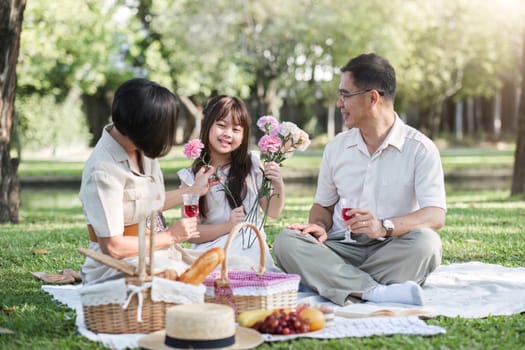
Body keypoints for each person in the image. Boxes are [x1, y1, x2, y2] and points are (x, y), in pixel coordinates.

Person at [273, 53, 446, 306]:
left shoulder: (420, 148)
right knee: (286, 242)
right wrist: (319, 226)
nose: (339, 103)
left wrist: (383, 226)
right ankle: (375, 291)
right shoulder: (336, 148)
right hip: (342, 249)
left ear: (372, 97)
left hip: (392, 249)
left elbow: (435, 216)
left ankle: (335, 281)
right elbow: (322, 206)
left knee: (427, 244)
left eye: (345, 94)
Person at [79, 78, 214, 284]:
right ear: (143, 127)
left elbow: (149, 203)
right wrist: (171, 236)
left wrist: (194, 190)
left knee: (229, 265)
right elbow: (113, 247)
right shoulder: (103, 171)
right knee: (182, 280)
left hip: (159, 252)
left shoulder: (143, 149)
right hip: (120, 264)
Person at [177, 95, 285, 272]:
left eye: (236, 129)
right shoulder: (192, 177)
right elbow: (192, 234)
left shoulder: (252, 165)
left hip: (250, 248)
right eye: (221, 125)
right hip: (212, 251)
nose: (228, 133)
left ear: (243, 136)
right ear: (207, 124)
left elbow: (272, 211)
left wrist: (278, 185)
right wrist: (228, 226)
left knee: (247, 270)